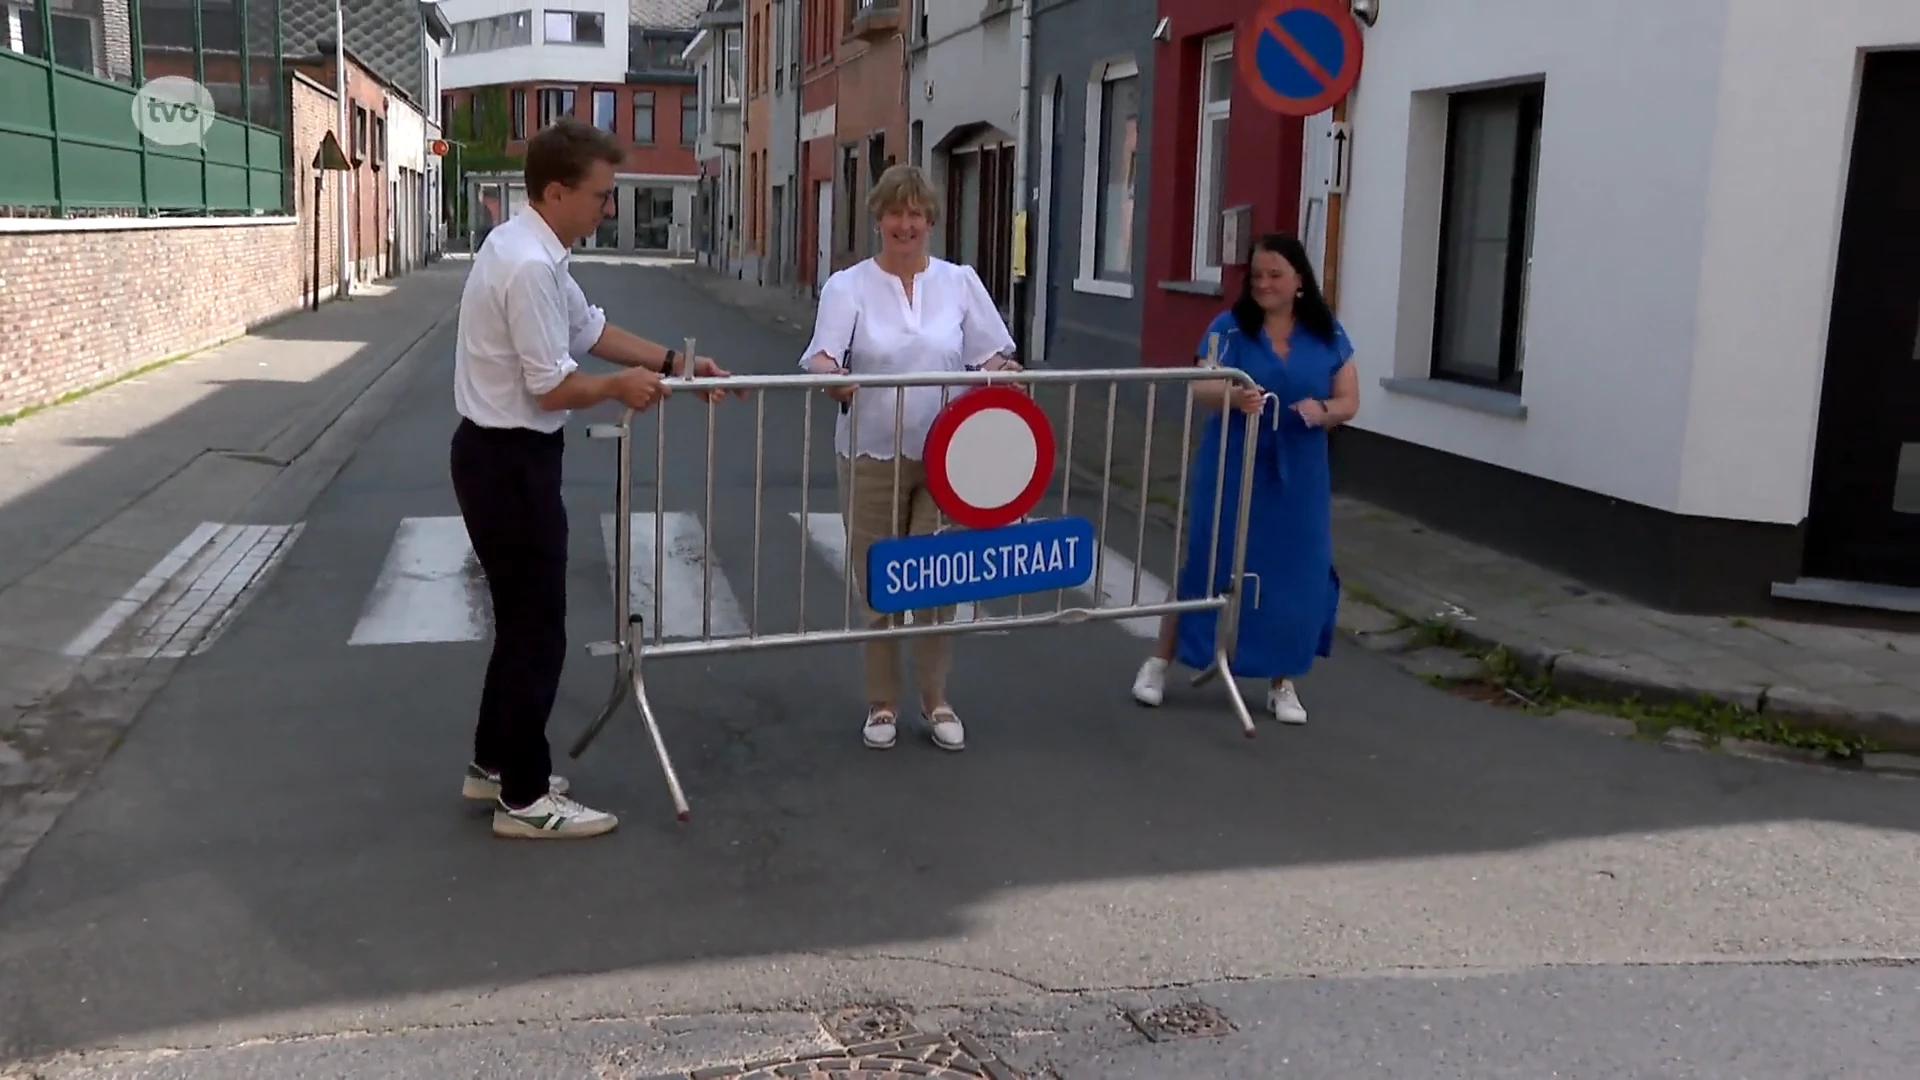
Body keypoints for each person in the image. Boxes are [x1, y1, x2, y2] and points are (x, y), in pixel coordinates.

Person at [450, 117, 735, 839]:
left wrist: (675, 363)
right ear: (555, 190)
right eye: (601, 196)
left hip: (506, 454)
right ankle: (524, 797)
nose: (608, 208)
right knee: (537, 630)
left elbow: (591, 330)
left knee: (522, 625)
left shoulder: (537, 251)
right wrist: (619, 388)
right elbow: (552, 384)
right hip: (508, 458)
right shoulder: (525, 265)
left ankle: (493, 764)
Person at [798, 163, 1021, 753]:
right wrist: (834, 378)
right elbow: (822, 356)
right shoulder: (848, 286)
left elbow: (992, 354)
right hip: (872, 451)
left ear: (931, 221)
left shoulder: (960, 282)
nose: (906, 224)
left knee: (935, 579)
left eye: (916, 214)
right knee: (878, 581)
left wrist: (1003, 375)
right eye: (895, 213)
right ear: (879, 218)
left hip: (948, 453)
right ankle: (882, 702)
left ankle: (935, 698)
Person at [1130, 233, 1360, 725]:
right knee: (1208, 560)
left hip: (1298, 472)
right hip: (1235, 463)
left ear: (1300, 279)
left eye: (1275, 274)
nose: (1264, 284)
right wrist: (1235, 397)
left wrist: (1321, 411)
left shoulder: (1327, 333)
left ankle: (1282, 679)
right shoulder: (1228, 328)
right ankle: (1159, 662)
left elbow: (1348, 400)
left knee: (1294, 571)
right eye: (1257, 275)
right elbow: (1203, 380)